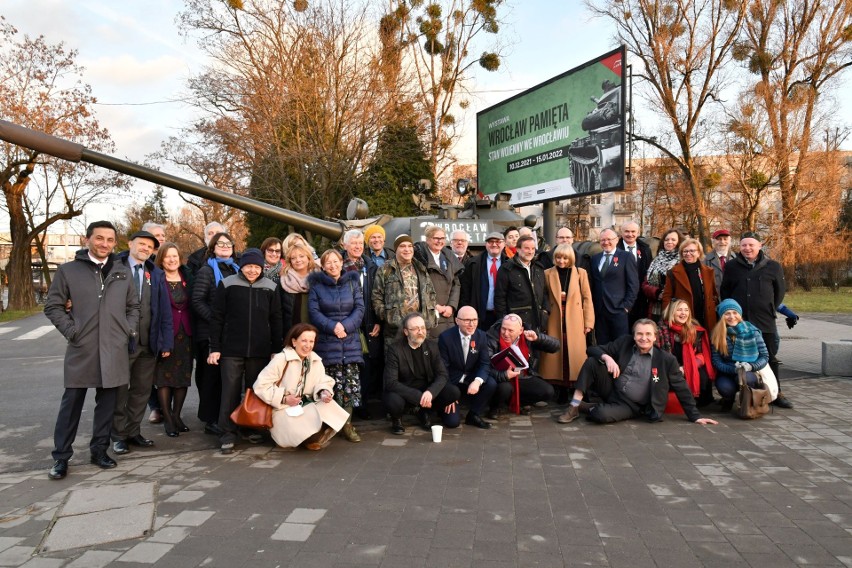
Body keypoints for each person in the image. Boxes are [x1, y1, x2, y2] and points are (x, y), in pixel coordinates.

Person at [44, 221, 140, 480]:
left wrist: (128, 331)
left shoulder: (122, 272)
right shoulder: (68, 271)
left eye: (110, 239)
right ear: (87, 240)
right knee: (71, 405)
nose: (105, 244)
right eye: (99, 238)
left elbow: (133, 307)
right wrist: (72, 331)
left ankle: (99, 450)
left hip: (114, 348)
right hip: (82, 348)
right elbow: (52, 306)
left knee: (107, 405)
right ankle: (61, 457)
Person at [558, 319, 719, 426]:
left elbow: (681, 387)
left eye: (648, 334)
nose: (644, 338)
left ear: (655, 337)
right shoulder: (624, 343)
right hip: (611, 388)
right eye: (639, 334)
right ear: (634, 336)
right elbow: (592, 349)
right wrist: (607, 357)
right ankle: (574, 406)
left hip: (630, 405)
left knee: (601, 416)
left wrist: (695, 416)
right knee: (593, 362)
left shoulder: (666, 360)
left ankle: (589, 407)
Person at [208, 248, 283, 454]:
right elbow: (217, 318)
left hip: (259, 350)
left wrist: (276, 348)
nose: (252, 271)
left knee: (254, 391)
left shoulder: (270, 287)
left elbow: (276, 319)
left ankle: (250, 427)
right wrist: (215, 348)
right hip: (231, 349)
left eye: (257, 267)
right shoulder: (228, 284)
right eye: (249, 266)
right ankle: (227, 433)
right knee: (230, 392)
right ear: (242, 266)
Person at [111, 230, 173, 456]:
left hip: (148, 343)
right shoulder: (115, 266)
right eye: (142, 244)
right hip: (121, 342)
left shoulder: (155, 273)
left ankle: (132, 431)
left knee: (141, 390)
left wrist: (165, 342)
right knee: (119, 391)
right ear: (130, 244)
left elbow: (164, 309)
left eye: (150, 246)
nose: (146, 248)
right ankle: (117, 436)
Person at [252, 323, 349, 450]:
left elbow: (322, 380)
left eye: (311, 341)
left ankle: (310, 439)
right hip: (282, 408)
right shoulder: (281, 359)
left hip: (304, 404)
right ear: (294, 341)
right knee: (303, 419)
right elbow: (260, 386)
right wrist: (284, 398)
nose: (308, 345)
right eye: (304, 340)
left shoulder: (315, 360)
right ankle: (287, 437)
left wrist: (324, 391)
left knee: (330, 408)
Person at [720, 233, 790, 407]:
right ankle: (734, 394)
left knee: (770, 357)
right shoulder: (731, 267)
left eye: (751, 245)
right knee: (735, 356)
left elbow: (779, 292)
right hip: (739, 322)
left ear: (760, 245)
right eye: (744, 245)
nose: (747, 248)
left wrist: (768, 308)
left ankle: (776, 393)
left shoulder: (773, 266)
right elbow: (725, 291)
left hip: (764, 320)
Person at [308, 249, 365, 443]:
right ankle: (328, 425)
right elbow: (314, 312)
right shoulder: (316, 286)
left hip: (350, 341)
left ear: (342, 262)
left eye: (336, 261)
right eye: (328, 262)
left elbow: (360, 308)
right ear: (322, 266)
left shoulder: (352, 282)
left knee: (349, 387)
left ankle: (347, 425)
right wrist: (333, 327)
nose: (333, 265)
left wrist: (345, 326)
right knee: (329, 386)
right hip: (327, 342)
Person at [191, 231, 240, 435]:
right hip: (209, 332)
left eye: (228, 243)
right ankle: (210, 419)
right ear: (212, 247)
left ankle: (225, 415)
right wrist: (216, 320)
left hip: (230, 332)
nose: (225, 246)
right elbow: (197, 300)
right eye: (220, 244)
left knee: (225, 378)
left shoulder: (236, 269)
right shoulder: (207, 270)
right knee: (210, 377)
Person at [384, 313, 461, 434]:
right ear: (405, 332)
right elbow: (390, 382)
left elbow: (442, 374)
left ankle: (424, 412)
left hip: (426, 390)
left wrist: (431, 392)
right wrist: (417, 396)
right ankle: (397, 420)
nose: (420, 331)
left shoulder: (432, 346)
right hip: (405, 391)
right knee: (392, 400)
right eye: (415, 329)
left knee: (453, 392)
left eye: (422, 328)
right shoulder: (395, 349)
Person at [540, 244, 594, 405]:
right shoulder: (547, 273)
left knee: (576, 354)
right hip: (555, 318)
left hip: (576, 319)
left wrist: (589, 322)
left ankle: (578, 389)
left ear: (570, 258)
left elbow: (587, 298)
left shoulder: (580, 273)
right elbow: (543, 297)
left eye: (564, 258)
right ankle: (561, 390)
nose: (561, 261)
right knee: (558, 354)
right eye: (558, 257)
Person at [340, 229, 382, 419]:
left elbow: (377, 296)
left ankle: (362, 404)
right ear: (345, 245)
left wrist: (377, 321)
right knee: (348, 365)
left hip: (367, 324)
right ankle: (347, 407)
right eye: (353, 243)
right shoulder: (339, 265)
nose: (357, 247)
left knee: (367, 365)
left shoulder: (370, 266)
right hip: (346, 323)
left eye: (360, 244)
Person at [154, 243, 194, 437]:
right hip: (166, 334)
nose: (172, 260)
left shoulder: (187, 277)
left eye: (175, 256)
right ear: (161, 259)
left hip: (186, 334)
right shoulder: (156, 278)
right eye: (167, 257)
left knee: (182, 378)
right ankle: (168, 419)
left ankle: (177, 415)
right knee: (164, 378)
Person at [486, 313, 559, 413]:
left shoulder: (527, 334)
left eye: (510, 330)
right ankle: (494, 407)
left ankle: (519, 403)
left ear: (520, 330)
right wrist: (504, 375)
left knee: (547, 391)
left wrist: (537, 338)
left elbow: (556, 346)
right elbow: (485, 368)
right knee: (505, 388)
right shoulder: (491, 337)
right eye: (503, 329)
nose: (506, 333)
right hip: (499, 377)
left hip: (522, 376)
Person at [438, 306, 497, 429]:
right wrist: (450, 395)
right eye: (467, 320)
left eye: (474, 320)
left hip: (470, 378)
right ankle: (441, 409)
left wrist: (477, 381)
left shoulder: (481, 336)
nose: (471, 324)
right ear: (457, 320)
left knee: (490, 383)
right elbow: (442, 369)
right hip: (452, 382)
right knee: (452, 423)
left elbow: (485, 363)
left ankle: (473, 414)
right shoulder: (445, 338)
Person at [710, 299, 774, 411]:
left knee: (747, 378)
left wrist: (751, 366)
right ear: (722, 316)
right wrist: (734, 369)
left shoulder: (753, 332)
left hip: (749, 369)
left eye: (735, 313)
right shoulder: (717, 334)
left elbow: (764, 356)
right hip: (728, 370)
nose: (731, 316)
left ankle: (749, 401)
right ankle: (728, 399)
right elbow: (716, 361)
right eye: (727, 313)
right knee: (725, 387)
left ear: (740, 314)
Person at [372, 235, 438, 340]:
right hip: (395, 330)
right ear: (396, 249)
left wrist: (429, 315)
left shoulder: (421, 268)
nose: (407, 249)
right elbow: (376, 296)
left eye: (410, 246)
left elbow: (431, 293)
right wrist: (387, 315)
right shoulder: (385, 269)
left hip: (420, 329)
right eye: (402, 246)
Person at [656, 299, 716, 408]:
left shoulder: (694, 330)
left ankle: (698, 402)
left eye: (686, 310)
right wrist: (676, 368)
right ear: (671, 312)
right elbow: (658, 353)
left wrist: (687, 366)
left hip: (690, 364)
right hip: (669, 366)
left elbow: (701, 354)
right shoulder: (660, 330)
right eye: (679, 310)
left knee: (703, 376)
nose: (683, 313)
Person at [589, 228, 638, 344]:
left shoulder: (626, 257)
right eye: (602, 240)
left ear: (617, 240)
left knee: (621, 345)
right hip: (600, 311)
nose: (606, 242)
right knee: (602, 344)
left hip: (619, 310)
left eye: (609, 239)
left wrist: (626, 306)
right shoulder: (595, 259)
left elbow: (634, 284)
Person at [415, 225, 463, 338]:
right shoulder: (419, 259)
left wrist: (451, 306)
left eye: (442, 238)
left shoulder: (449, 257)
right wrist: (435, 306)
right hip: (430, 315)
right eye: (436, 238)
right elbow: (418, 286)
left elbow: (456, 284)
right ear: (427, 239)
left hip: (448, 315)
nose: (439, 241)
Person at [661, 238, 719, 330]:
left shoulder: (708, 271)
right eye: (685, 251)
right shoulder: (673, 272)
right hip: (683, 316)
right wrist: (667, 317)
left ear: (699, 253)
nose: (688, 254)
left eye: (692, 251)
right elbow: (667, 296)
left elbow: (713, 294)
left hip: (706, 316)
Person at [494, 235, 549, 331]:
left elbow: (544, 293)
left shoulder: (539, 269)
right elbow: (500, 298)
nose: (530, 251)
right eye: (527, 248)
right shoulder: (506, 269)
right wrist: (504, 321)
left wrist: (545, 312)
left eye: (532, 248)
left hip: (538, 323)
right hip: (515, 324)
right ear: (518, 249)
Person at [458, 231, 506, 331]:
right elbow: (465, 291)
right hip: (478, 316)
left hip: (502, 316)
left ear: (504, 244)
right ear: (485, 244)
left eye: (498, 241)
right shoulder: (473, 263)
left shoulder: (509, 263)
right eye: (490, 241)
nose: (494, 244)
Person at [642, 228, 682, 321]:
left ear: (679, 242)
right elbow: (645, 284)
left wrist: (668, 294)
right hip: (656, 307)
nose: (669, 242)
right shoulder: (655, 260)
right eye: (667, 239)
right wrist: (657, 293)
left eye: (673, 240)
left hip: (676, 307)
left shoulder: (682, 261)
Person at [618, 221, 653, 326]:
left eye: (633, 231)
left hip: (640, 299)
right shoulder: (615, 248)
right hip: (621, 298)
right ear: (621, 232)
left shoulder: (645, 249)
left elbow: (649, 272)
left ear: (638, 232)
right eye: (627, 231)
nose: (630, 234)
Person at [280, 243, 319, 333]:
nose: (298, 260)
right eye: (293, 258)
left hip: (317, 333)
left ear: (309, 258)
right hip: (292, 332)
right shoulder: (284, 281)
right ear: (290, 262)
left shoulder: (320, 279)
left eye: (301, 256)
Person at [704, 229, 734, 294]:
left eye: (725, 239)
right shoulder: (704, 260)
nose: (722, 242)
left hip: (733, 300)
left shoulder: (737, 258)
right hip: (714, 299)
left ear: (730, 241)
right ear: (713, 242)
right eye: (719, 239)